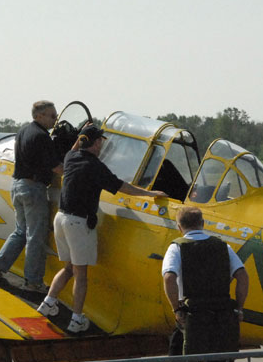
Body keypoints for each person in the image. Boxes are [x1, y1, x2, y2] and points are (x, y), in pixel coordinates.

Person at [36, 125, 167, 333]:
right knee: (81, 275)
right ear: (96, 143)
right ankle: (76, 319)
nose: (101, 146)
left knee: (68, 267)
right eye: (100, 142)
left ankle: (48, 303)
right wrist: (149, 194)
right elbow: (121, 186)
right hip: (78, 223)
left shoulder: (70, 157)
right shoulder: (94, 166)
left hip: (60, 219)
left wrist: (83, 135)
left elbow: (75, 146)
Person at [155, 206, 249, 362]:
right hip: (222, 322)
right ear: (203, 223)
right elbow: (242, 276)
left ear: (180, 226)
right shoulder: (222, 246)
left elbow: (169, 277)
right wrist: (239, 308)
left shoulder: (177, 247)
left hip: (192, 322)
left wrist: (177, 308)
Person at [0, 100, 63, 293]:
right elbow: (56, 167)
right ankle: (33, 281)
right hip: (34, 189)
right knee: (36, 236)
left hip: (17, 185)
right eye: (52, 115)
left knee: (20, 231)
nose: (55, 119)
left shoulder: (24, 131)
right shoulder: (42, 137)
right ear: (39, 116)